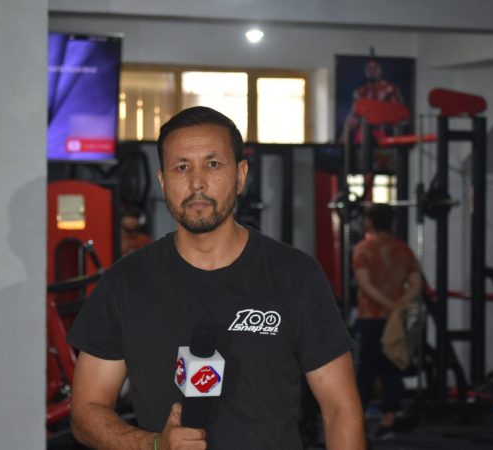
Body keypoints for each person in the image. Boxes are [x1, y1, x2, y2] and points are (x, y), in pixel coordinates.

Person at [67, 106, 365, 449]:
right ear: (163, 181)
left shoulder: (296, 276)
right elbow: (86, 410)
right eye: (182, 167)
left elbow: (340, 409)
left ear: (240, 176)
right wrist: (154, 444)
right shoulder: (126, 283)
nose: (197, 183)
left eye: (213, 164)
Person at [352, 204, 422, 438]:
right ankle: (388, 421)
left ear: (369, 222)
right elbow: (416, 285)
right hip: (395, 321)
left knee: (365, 370)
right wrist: (398, 306)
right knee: (393, 367)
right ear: (391, 222)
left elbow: (366, 285)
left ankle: (357, 423)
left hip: (371, 318)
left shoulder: (363, 249)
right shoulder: (404, 250)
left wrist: (388, 305)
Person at [340, 59, 406, 146]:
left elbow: (400, 115)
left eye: (374, 68)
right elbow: (354, 116)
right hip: (363, 137)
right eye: (369, 69)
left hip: (385, 135)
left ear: (380, 70)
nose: (371, 71)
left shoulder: (390, 90)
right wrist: (345, 135)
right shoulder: (361, 92)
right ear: (366, 71)